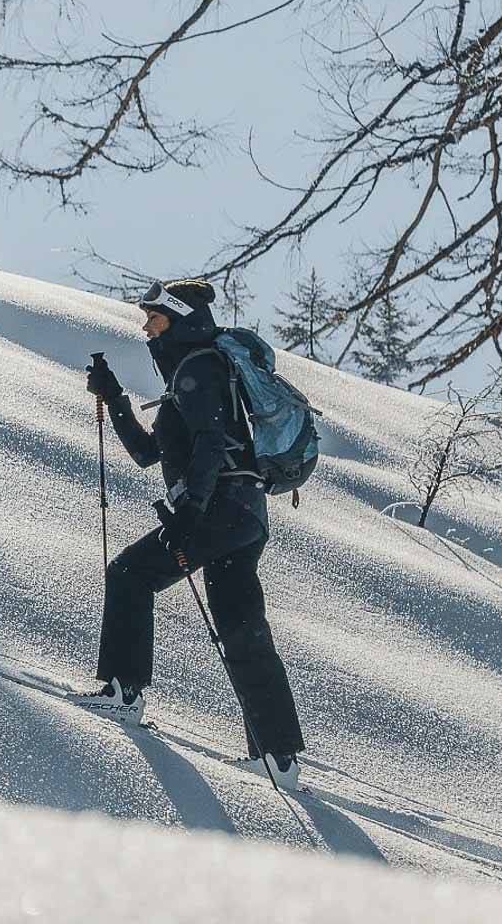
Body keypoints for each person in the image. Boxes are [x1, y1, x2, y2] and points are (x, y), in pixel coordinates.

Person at [77, 278, 307, 788]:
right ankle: (278, 757)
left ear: (178, 319)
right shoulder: (193, 375)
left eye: (155, 319)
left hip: (218, 509)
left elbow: (208, 443)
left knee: (132, 574)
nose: (146, 327)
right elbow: (145, 451)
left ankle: (122, 692)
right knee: (240, 625)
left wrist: (191, 509)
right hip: (246, 516)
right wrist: (114, 396)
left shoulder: (198, 369)